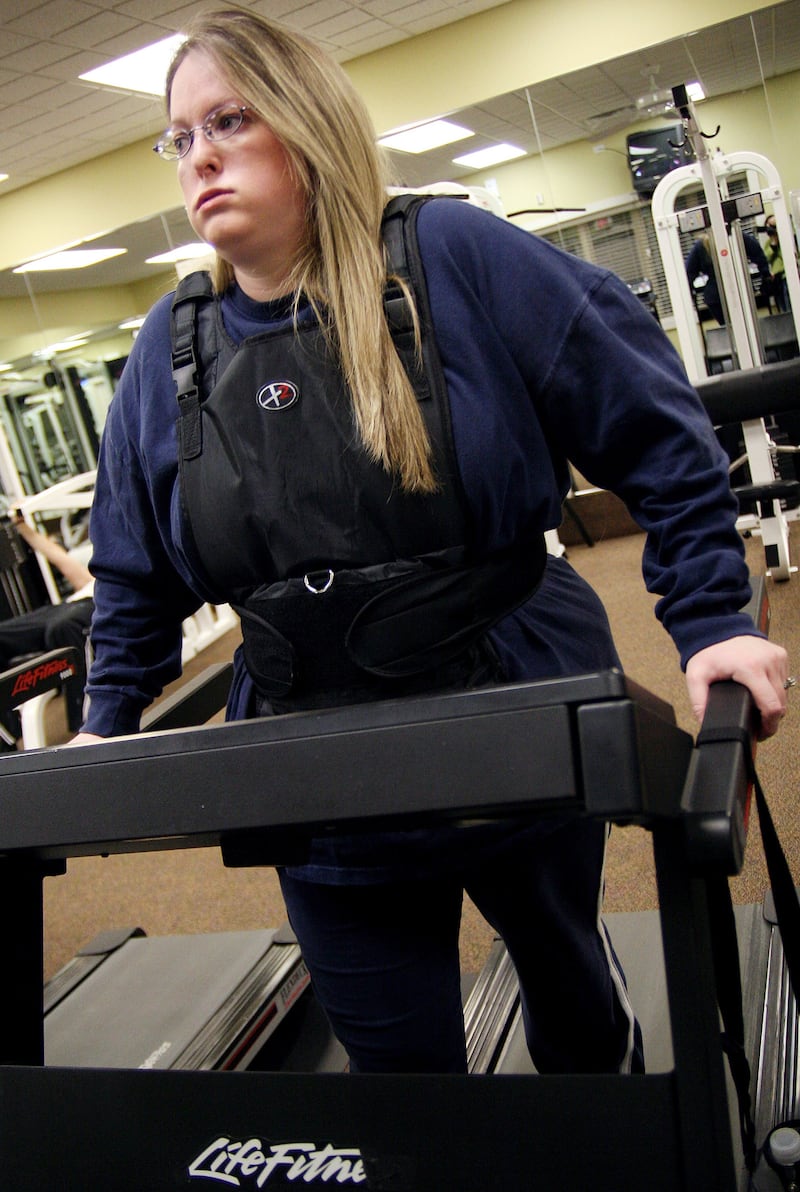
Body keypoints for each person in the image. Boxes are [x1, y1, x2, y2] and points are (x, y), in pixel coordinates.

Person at [71, 9, 790, 1077]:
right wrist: (103, 726)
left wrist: (707, 622)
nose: (201, 155)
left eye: (229, 119)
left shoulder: (446, 256)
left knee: (577, 1021)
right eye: (181, 136)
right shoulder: (167, 351)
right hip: (311, 761)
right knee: (399, 1086)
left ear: (305, 122)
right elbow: (131, 568)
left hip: (509, 706)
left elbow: (653, 429)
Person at [0, 511, 93, 741]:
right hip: (70, 604)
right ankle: (9, 732)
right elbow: (63, 562)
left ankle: (84, 724)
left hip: (96, 605)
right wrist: (23, 528)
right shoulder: (94, 561)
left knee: (63, 627)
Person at [685, 229, 772, 324]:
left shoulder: (701, 245)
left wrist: (688, 293)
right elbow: (758, 254)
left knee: (727, 327)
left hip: (715, 295)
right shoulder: (736, 236)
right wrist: (765, 274)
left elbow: (689, 272)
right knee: (747, 324)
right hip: (740, 287)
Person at [763, 214, 790, 312]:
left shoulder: (787, 238)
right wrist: (773, 244)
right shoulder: (768, 243)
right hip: (777, 278)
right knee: (783, 306)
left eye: (773, 226)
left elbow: (788, 256)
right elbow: (766, 258)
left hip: (788, 275)